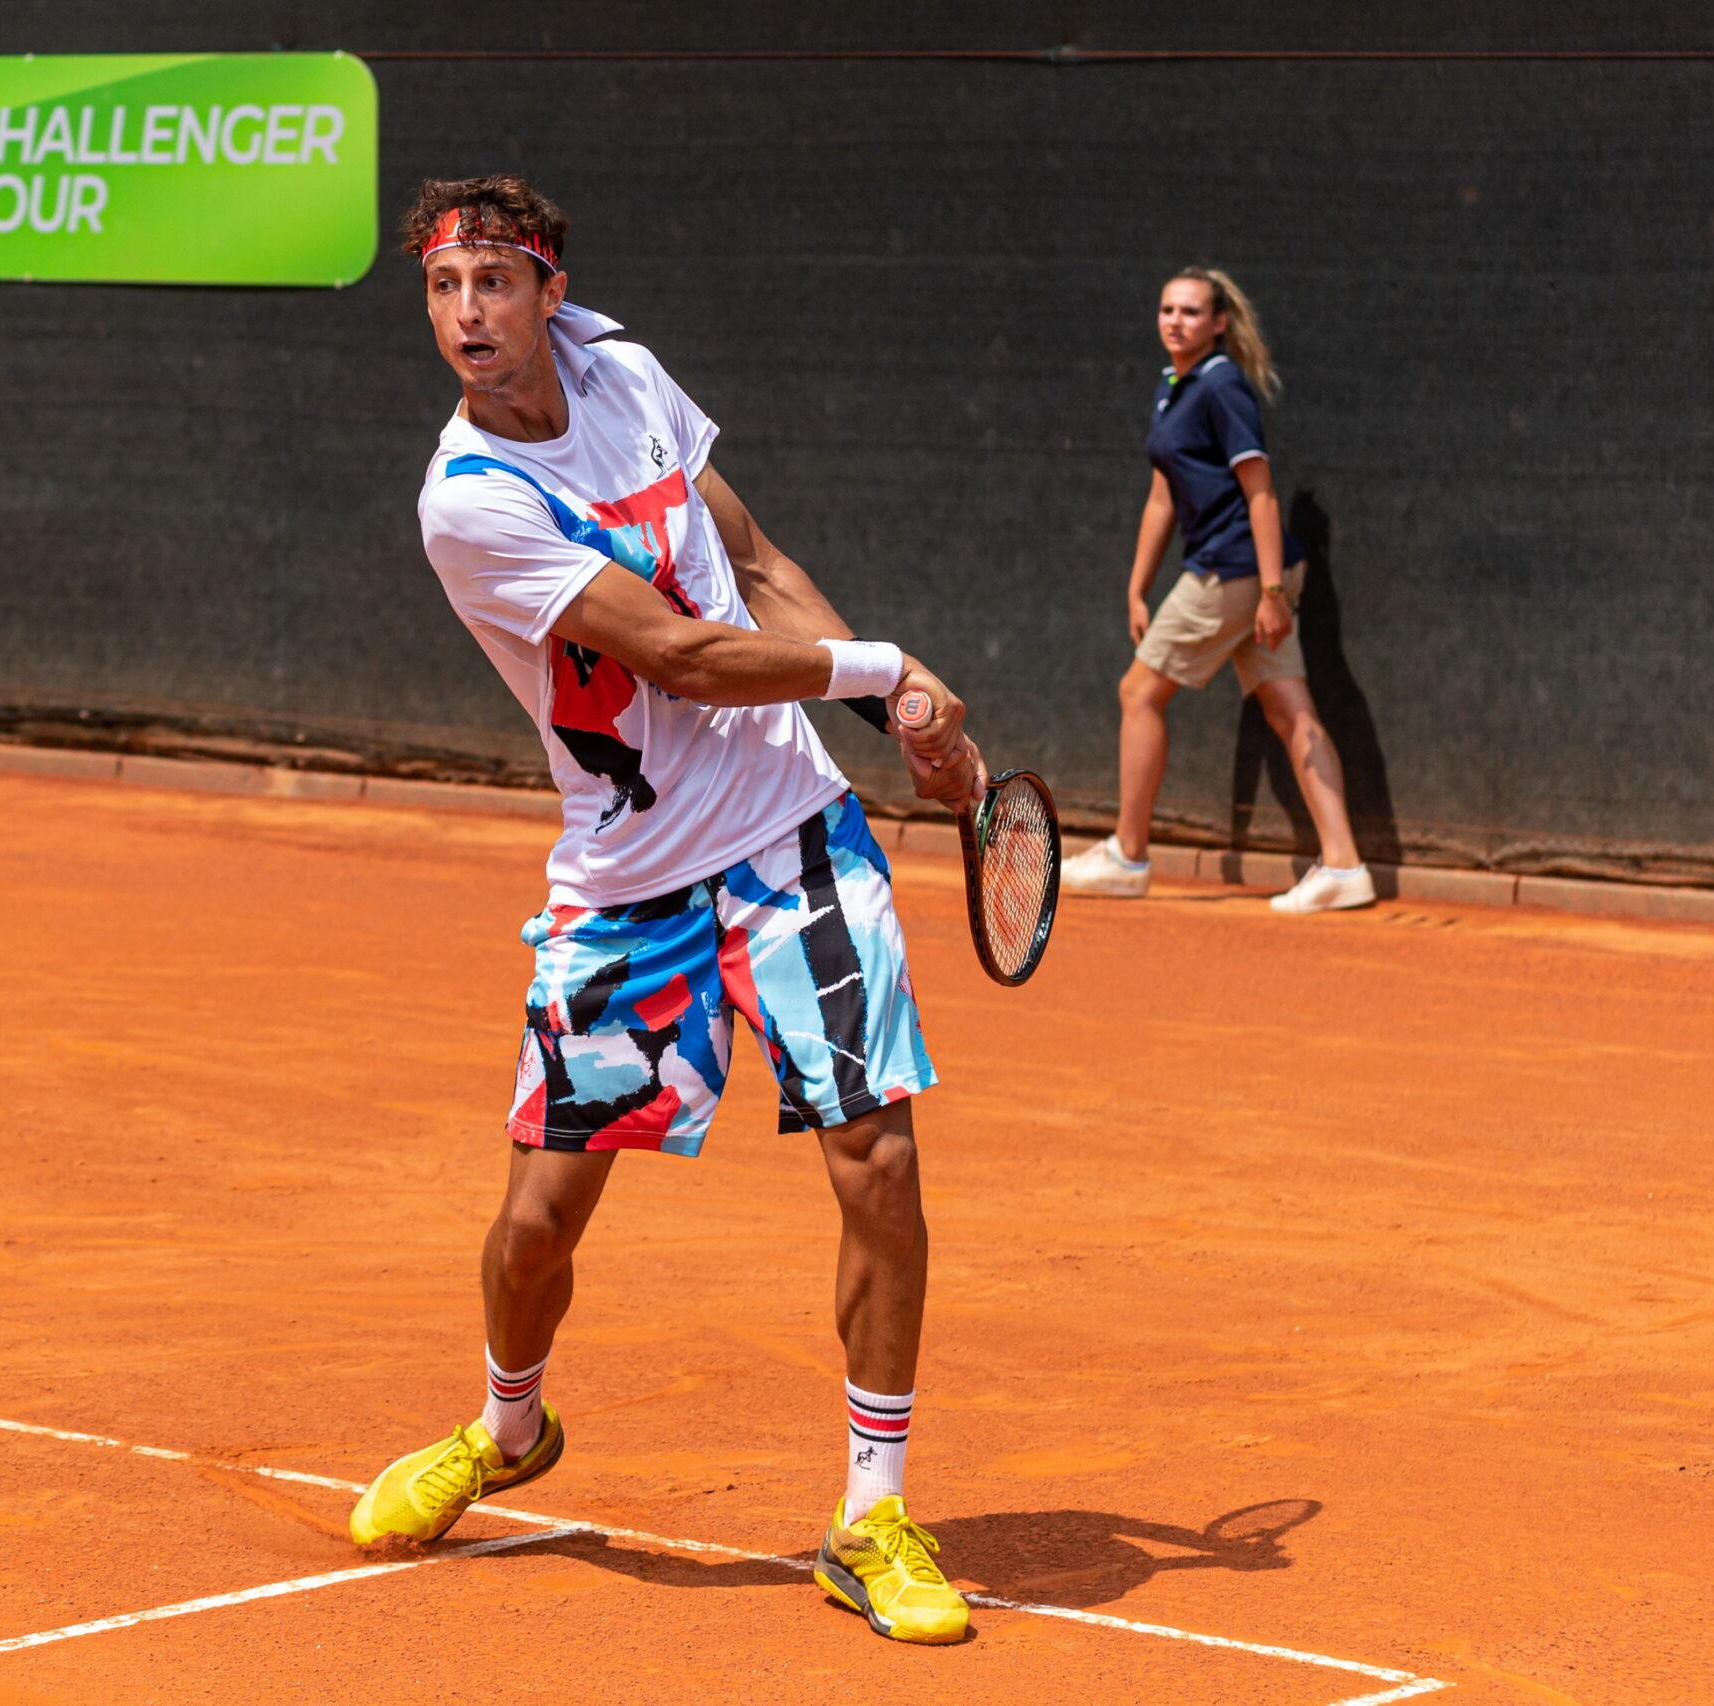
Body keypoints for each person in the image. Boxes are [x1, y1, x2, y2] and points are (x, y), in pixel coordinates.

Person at [345, 175, 985, 1646]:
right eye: (446, 292)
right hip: (629, 881)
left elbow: (753, 568)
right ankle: (510, 1429)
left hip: (791, 836)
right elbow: (688, 656)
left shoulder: (624, 375)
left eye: (495, 286)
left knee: (877, 1159)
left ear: (549, 290)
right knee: (536, 1226)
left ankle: (872, 1512)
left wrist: (895, 717)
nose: (468, 317)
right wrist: (889, 672)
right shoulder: (469, 499)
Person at [1060, 268, 1374, 913]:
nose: (1175, 320)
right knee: (1291, 712)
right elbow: (1161, 498)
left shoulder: (1222, 385)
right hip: (1239, 570)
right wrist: (1137, 586)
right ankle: (1344, 865)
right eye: (1167, 309)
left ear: (1219, 322)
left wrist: (1270, 593)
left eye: (1191, 311)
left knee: (1139, 691)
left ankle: (1128, 854)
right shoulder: (1174, 387)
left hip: (1236, 569)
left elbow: (1260, 492)